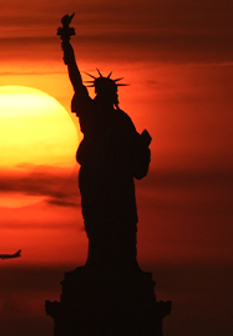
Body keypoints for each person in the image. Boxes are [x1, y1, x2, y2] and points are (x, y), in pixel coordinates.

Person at [60, 15, 151, 271]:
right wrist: (66, 44)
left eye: (109, 92)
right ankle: (98, 263)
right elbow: (75, 77)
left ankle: (123, 264)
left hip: (116, 179)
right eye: (102, 91)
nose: (105, 95)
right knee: (97, 219)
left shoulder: (121, 119)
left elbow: (135, 156)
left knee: (120, 219)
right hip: (96, 176)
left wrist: (142, 146)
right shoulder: (91, 112)